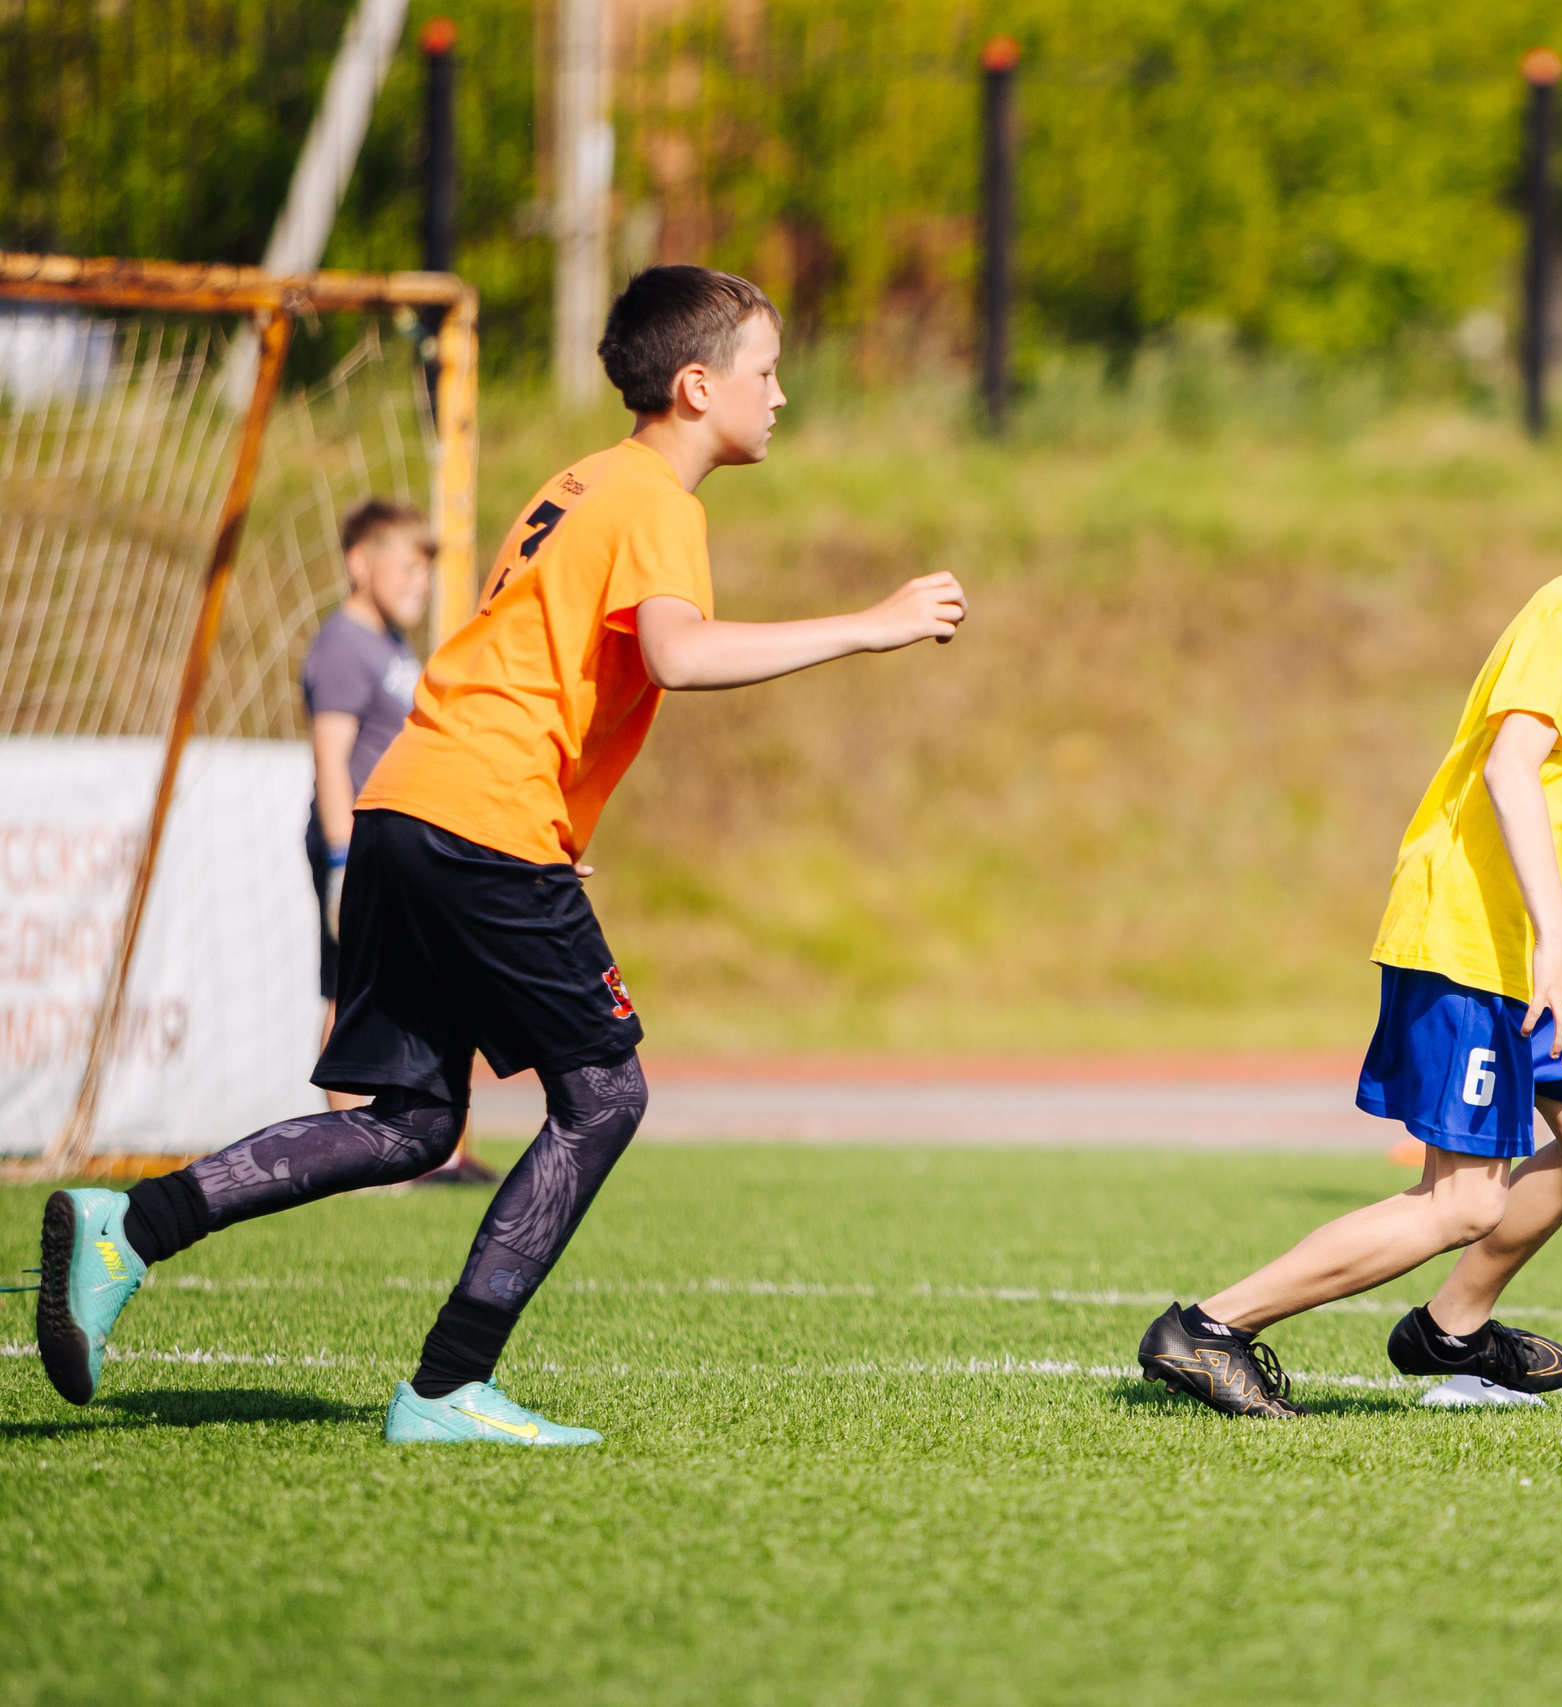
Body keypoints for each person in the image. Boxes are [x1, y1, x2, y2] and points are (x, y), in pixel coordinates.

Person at [34, 265, 970, 1445]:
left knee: (414, 1124)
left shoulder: (578, 485)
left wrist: (531, 836)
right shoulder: (654, 503)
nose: (781, 396)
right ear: (696, 386)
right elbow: (677, 655)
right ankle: (444, 1388)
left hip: (411, 809)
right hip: (479, 823)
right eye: (766, 372)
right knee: (605, 1095)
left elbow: (525, 667)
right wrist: (869, 626)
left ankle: (134, 1227)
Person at [1137, 410, 1562, 1418]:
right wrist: (1557, 948)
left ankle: (1449, 1331)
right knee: (1464, 1199)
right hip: (1471, 941)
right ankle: (1207, 1329)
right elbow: (1508, 770)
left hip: (1515, 943)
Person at [302, 500, 499, 1187]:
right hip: (356, 844)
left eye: (427, 566)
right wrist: (337, 860)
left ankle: (411, 1147)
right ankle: (347, 1158)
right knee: (347, 993)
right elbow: (331, 756)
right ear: (361, 563)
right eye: (409, 564)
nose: (422, 580)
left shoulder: (390, 644)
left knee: (416, 989)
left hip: (395, 844)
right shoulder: (343, 644)